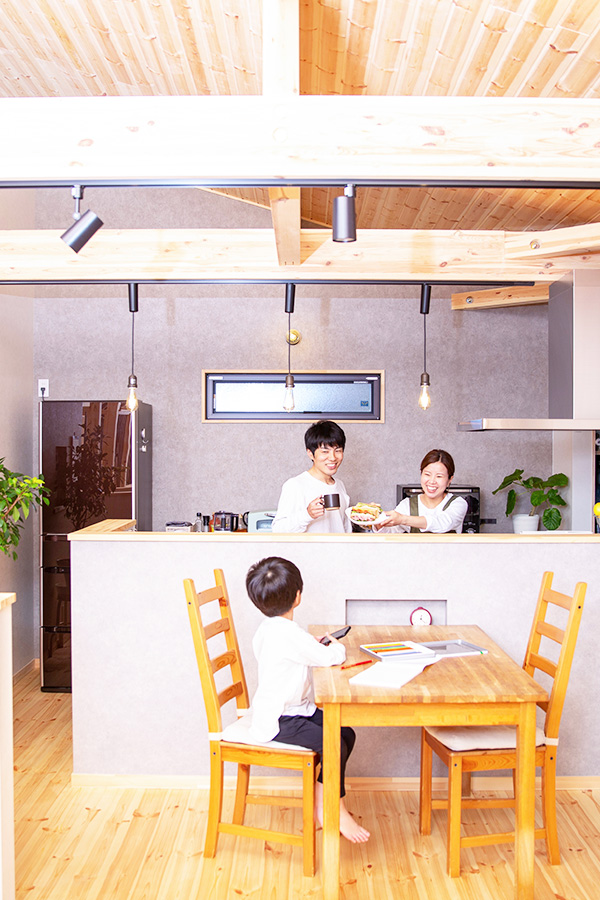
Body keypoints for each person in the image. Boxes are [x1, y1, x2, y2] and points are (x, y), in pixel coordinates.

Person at [245, 556, 370, 843]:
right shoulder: (289, 634)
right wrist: (336, 646)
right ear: (298, 596)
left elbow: (292, 651)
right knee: (334, 743)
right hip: (280, 720)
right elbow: (330, 658)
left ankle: (321, 798)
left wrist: (309, 646)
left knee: (345, 733)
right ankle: (333, 807)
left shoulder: (269, 629)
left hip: (291, 710)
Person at [271, 420, 352, 533]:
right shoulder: (295, 485)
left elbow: (345, 528)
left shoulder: (340, 485)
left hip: (340, 545)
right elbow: (278, 530)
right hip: (310, 546)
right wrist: (307, 515)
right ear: (310, 453)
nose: (333, 457)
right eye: (325, 452)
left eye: (338, 450)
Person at [375, 449, 468, 534]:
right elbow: (390, 533)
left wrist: (403, 519)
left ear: (449, 479)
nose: (432, 481)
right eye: (427, 474)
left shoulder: (458, 503)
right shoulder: (407, 505)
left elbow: (442, 523)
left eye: (439, 476)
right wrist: (376, 520)